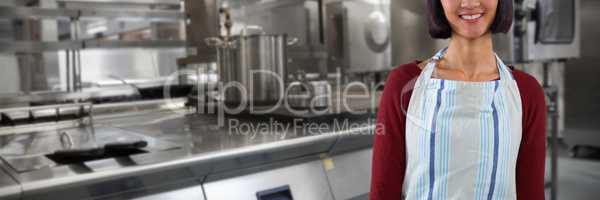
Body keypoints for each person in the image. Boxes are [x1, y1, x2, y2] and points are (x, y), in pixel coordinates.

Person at [369, 0, 547, 199]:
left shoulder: (527, 93)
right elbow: (383, 191)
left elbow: (531, 193)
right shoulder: (403, 85)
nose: (470, 2)